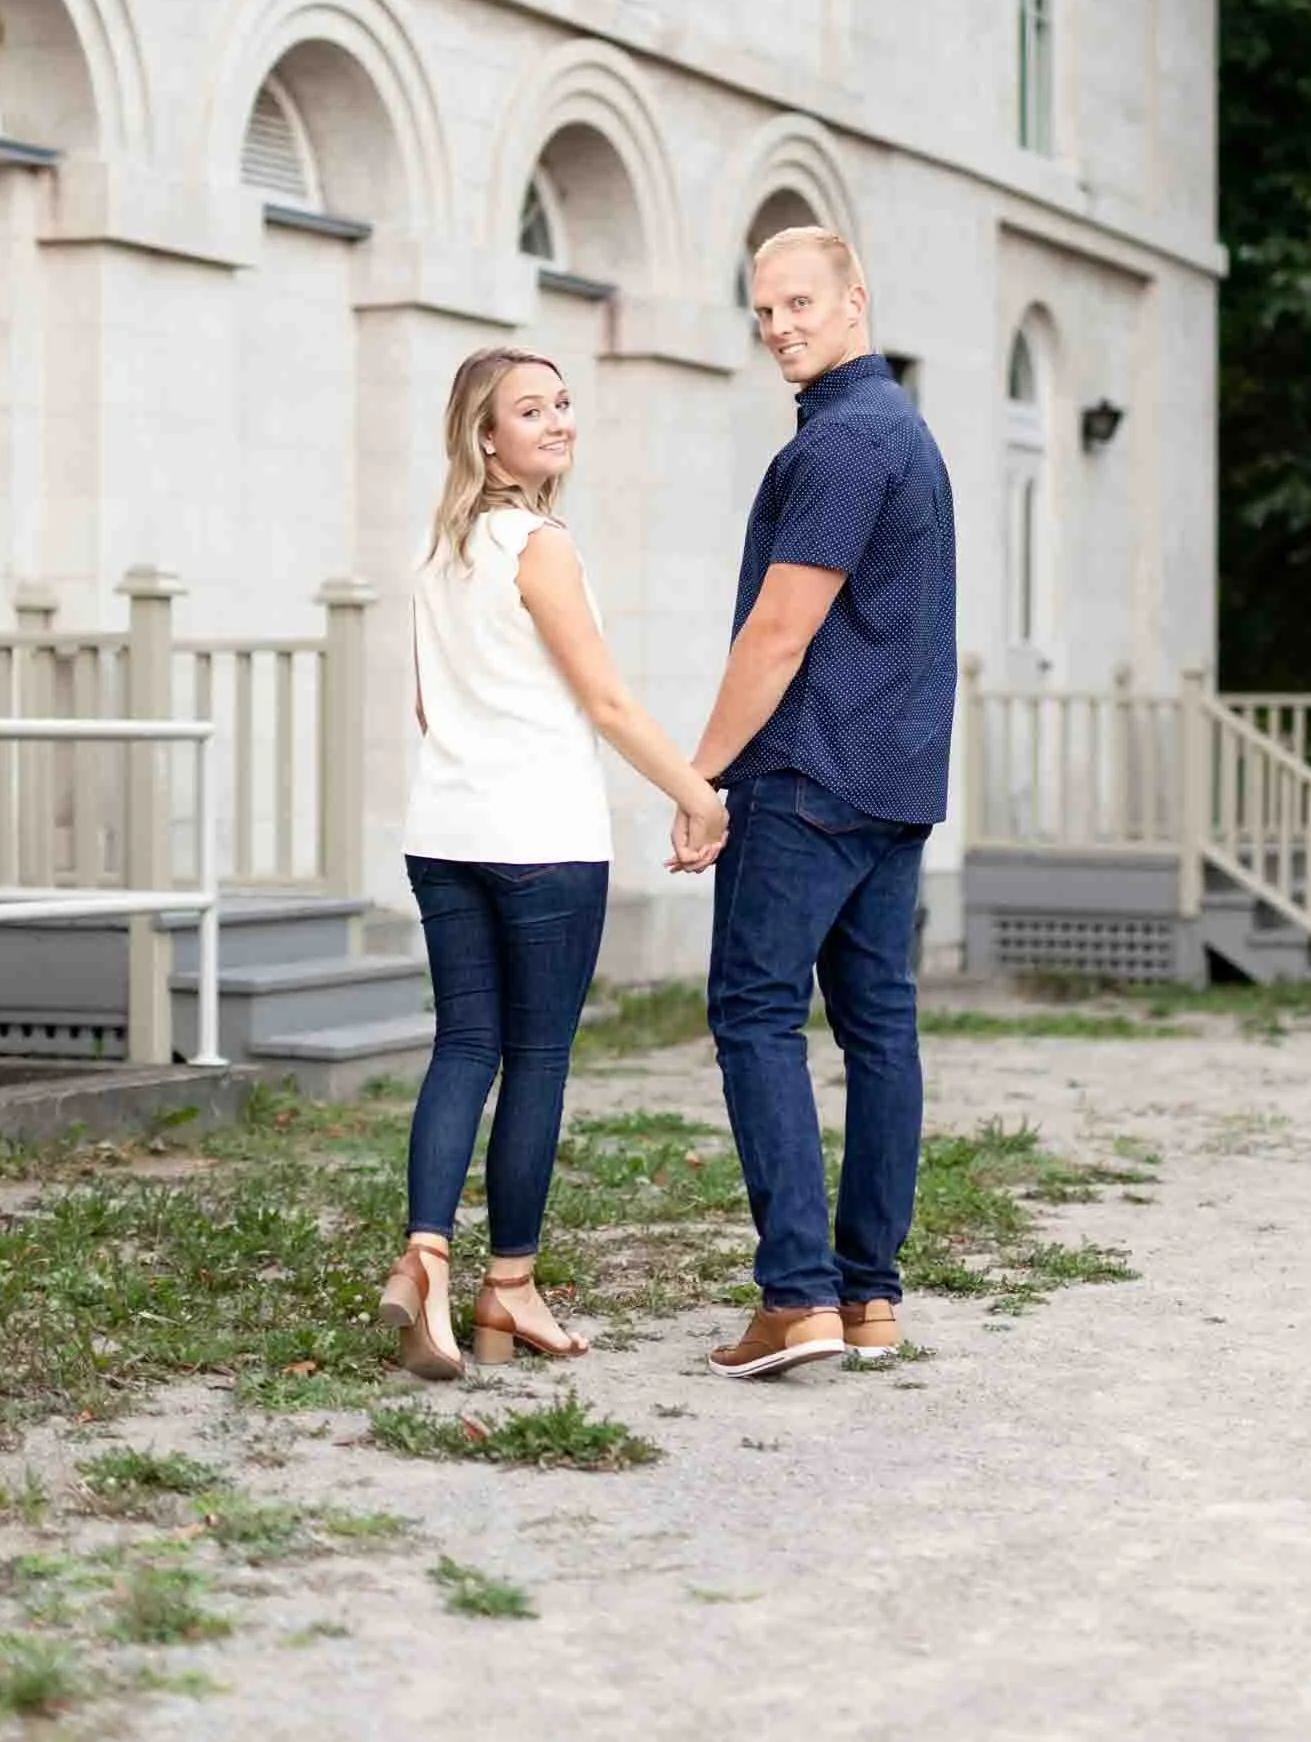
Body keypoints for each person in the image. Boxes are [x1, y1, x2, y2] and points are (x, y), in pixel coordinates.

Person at [379, 345, 728, 1378]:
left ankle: (429, 1256)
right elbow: (607, 702)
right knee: (534, 1059)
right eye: (532, 410)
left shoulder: (437, 553)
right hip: (541, 840)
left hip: (443, 833)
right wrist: (697, 791)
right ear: (486, 437)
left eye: (564, 403)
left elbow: (423, 707)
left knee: (461, 1047)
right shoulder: (541, 544)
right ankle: (509, 1280)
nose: (558, 421)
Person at [672, 228, 957, 1381]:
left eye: (798, 303)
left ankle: (798, 1301)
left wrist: (699, 775)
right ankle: (869, 1298)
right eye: (762, 312)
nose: (780, 326)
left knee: (753, 1012)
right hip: (892, 781)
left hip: (807, 776)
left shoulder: (845, 442)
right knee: (878, 1031)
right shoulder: (904, 433)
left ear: (855, 301)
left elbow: (780, 628)